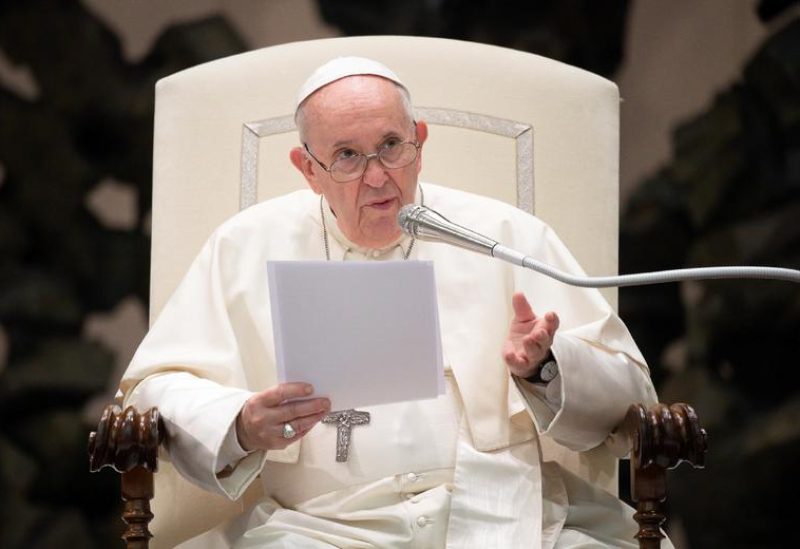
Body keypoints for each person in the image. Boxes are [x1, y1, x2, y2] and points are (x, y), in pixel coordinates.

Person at [120, 57, 667, 548]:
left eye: (390, 146)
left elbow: (630, 392)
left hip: (503, 512)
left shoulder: (505, 235)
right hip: (322, 525)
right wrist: (240, 424)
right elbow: (156, 388)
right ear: (307, 168)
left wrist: (548, 367)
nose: (378, 177)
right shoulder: (245, 247)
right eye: (347, 156)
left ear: (419, 141)